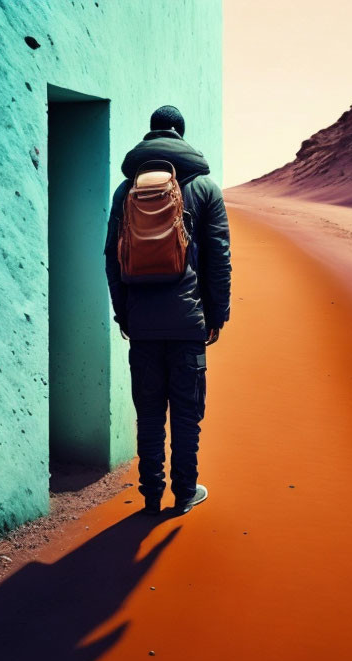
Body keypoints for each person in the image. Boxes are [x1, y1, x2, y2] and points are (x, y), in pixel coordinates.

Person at [104, 105, 231, 515]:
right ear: (181, 134)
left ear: (152, 133)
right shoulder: (206, 188)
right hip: (188, 323)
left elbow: (112, 257)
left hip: (142, 326)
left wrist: (124, 314)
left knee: (149, 416)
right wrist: (217, 316)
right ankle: (185, 491)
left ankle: (151, 494)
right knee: (186, 415)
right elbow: (219, 260)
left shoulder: (126, 192)